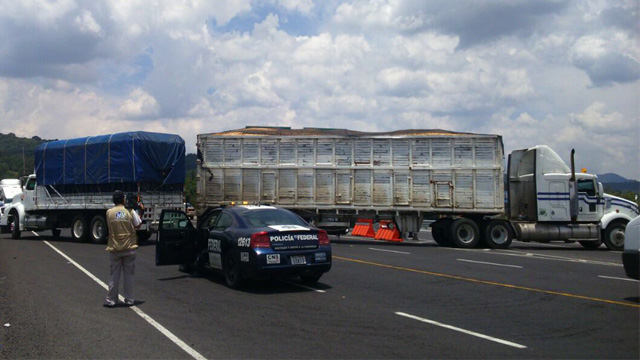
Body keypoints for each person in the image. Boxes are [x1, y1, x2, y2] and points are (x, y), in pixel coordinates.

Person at [104, 190, 143, 308]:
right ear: (123, 200)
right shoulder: (130, 212)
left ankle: (111, 300)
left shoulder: (109, 213)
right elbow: (138, 225)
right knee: (128, 276)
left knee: (114, 275)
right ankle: (129, 299)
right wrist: (140, 210)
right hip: (129, 248)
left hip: (115, 248)